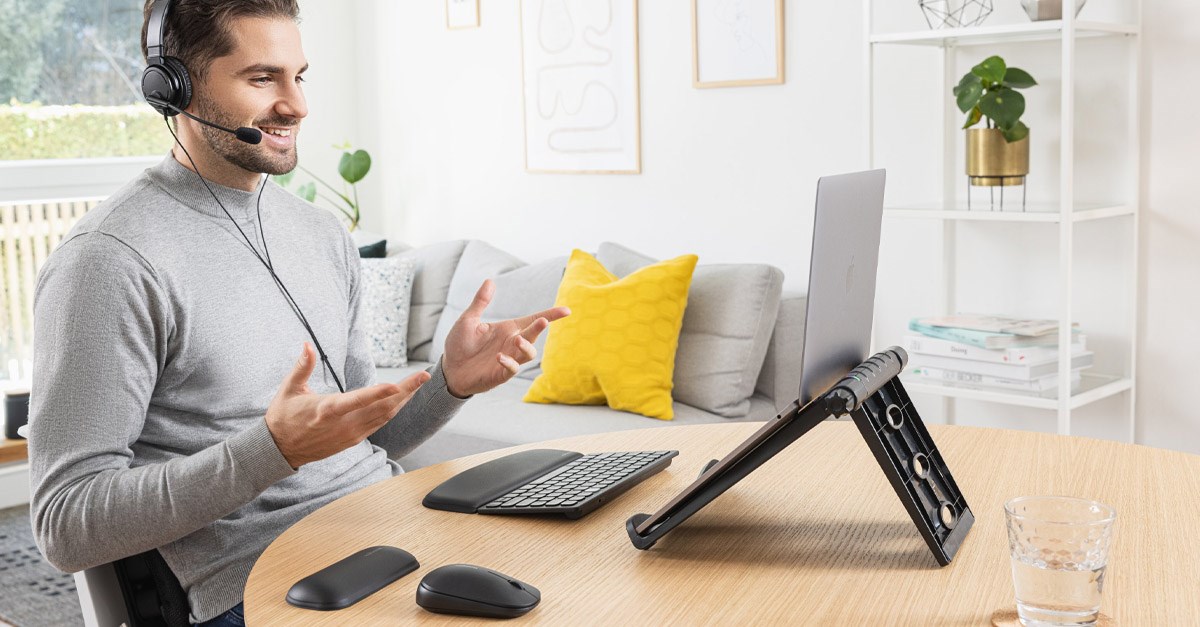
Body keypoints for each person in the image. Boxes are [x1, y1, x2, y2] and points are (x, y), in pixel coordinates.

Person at [27, 1, 568, 624]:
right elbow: (66, 523)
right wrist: (271, 450)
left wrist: (450, 383)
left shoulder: (320, 234)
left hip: (395, 533)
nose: (298, 105)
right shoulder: (111, 261)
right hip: (262, 583)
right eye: (262, 79)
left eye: (299, 76)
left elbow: (366, 435)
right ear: (174, 87)